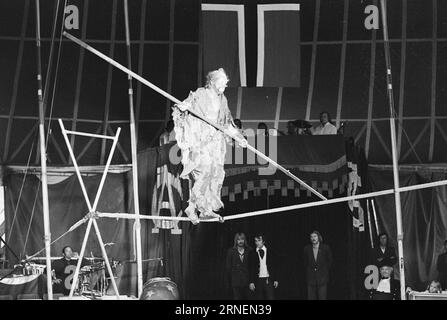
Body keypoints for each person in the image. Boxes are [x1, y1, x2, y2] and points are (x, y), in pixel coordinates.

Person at [172, 68, 246, 224]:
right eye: (222, 84)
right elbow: (185, 106)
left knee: (215, 174)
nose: (224, 87)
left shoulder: (222, 100)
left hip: (216, 144)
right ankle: (192, 207)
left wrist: (239, 137)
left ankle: (204, 209)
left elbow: (227, 124)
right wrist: (184, 107)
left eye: (225, 84)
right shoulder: (200, 94)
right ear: (212, 82)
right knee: (204, 171)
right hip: (201, 141)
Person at [303, 230, 332, 300]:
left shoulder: (325, 248)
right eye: (311, 237)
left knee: (322, 298)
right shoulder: (306, 249)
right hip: (311, 279)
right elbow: (305, 262)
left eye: (315, 236)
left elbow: (330, 261)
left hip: (322, 278)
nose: (313, 238)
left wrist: (324, 270)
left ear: (318, 237)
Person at [248, 234, 279, 299]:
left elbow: (274, 266)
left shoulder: (270, 252)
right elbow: (250, 268)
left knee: (270, 297)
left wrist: (275, 279)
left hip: (268, 279)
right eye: (256, 241)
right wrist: (251, 282)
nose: (257, 242)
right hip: (258, 280)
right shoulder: (252, 253)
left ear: (263, 241)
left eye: (259, 240)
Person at [226, 233, 252, 299]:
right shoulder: (231, 251)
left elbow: (253, 267)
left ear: (244, 240)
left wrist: (252, 281)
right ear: (236, 241)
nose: (240, 241)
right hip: (236, 282)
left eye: (242, 239)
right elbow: (229, 267)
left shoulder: (249, 250)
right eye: (238, 239)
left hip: (248, 282)